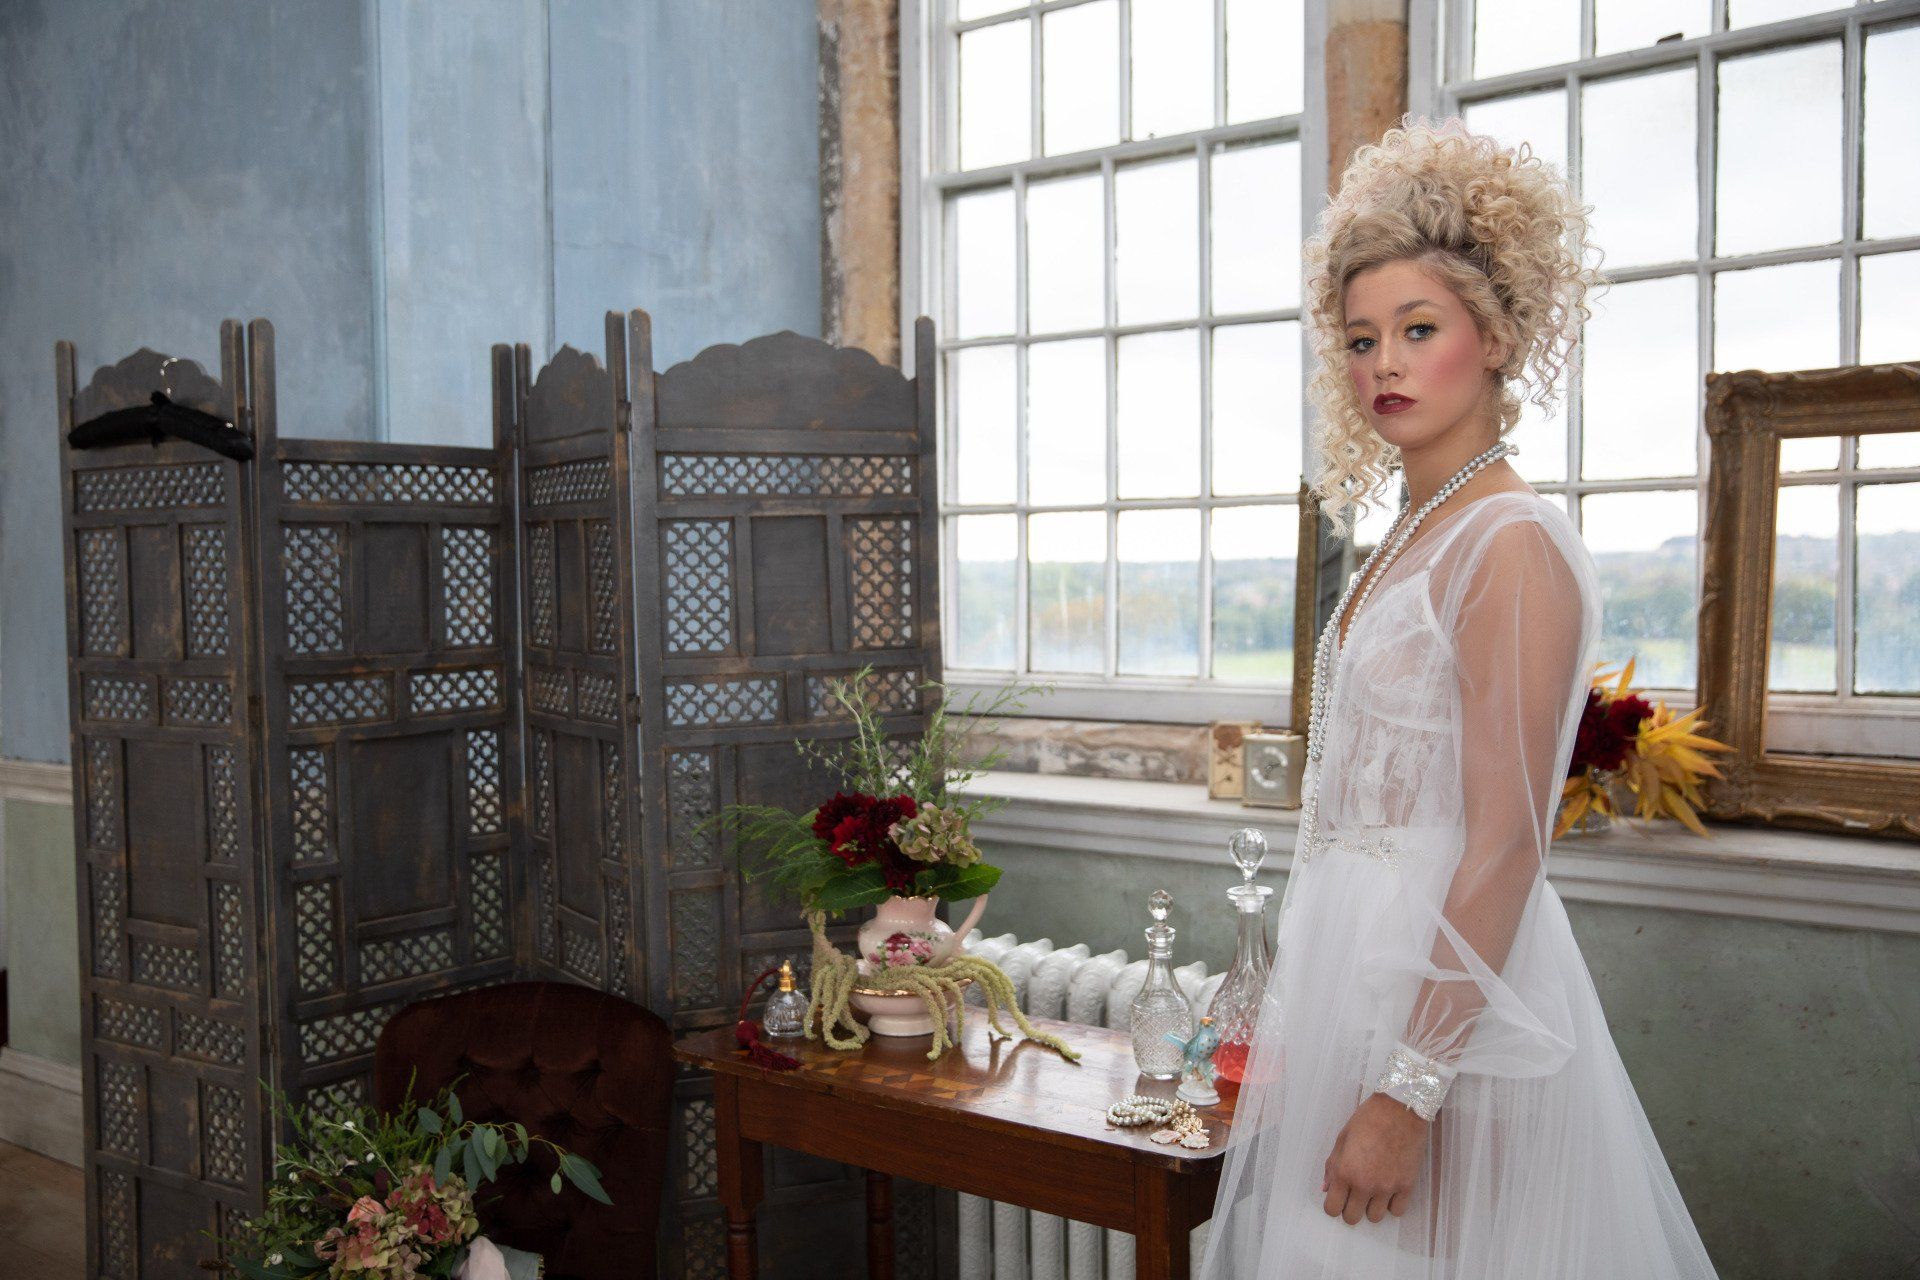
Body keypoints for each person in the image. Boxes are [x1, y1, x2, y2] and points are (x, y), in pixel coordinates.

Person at [1193, 116, 1720, 1278]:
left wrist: (1409, 1089)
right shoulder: (1410, 534)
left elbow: (1505, 843)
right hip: (1356, 977)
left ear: (1495, 337)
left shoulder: (1509, 541)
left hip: (1447, 1004)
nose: (1383, 362)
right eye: (1361, 338)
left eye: (1417, 329)